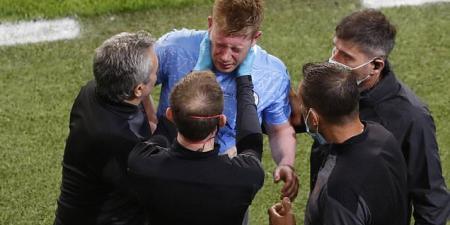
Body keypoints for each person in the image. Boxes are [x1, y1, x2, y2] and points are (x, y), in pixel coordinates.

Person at [152, 0, 298, 199]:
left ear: (256, 37)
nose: (225, 57)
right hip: (167, 168)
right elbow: (136, 88)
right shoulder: (174, 48)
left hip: (225, 182)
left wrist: (286, 163)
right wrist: (150, 121)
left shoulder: (273, 74)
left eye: (236, 49)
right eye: (220, 45)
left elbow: (279, 129)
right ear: (210, 24)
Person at [324, 9, 449, 225]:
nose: (334, 60)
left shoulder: (412, 117)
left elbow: (431, 199)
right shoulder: (336, 87)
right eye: (335, 49)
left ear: (376, 65)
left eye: (346, 56)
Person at [269, 62, 409, 225]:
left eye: (303, 106)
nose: (300, 110)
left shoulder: (339, 194)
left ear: (313, 118)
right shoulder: (383, 136)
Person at [127, 67, 265, 225]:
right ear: (221, 120)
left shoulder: (142, 163)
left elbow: (161, 138)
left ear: (170, 115)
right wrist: (244, 83)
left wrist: (197, 70)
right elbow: (252, 143)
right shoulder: (245, 175)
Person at [54, 31, 158, 225]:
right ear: (138, 89)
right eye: (154, 73)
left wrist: (151, 115)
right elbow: (159, 186)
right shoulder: (124, 139)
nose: (157, 75)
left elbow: (147, 114)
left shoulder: (91, 91)